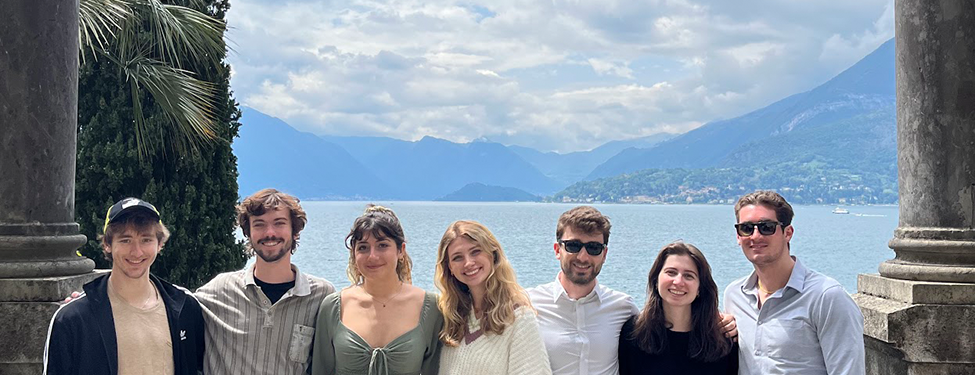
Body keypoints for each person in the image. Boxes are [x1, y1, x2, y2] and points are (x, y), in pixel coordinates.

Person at [44, 198, 205, 374]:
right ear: (107, 244)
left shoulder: (186, 308)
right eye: (125, 240)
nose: (136, 252)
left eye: (146, 240)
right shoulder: (72, 318)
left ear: (159, 244)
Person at [195, 188, 336, 374]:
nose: (270, 233)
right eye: (259, 224)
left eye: (279, 223)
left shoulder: (321, 296)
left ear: (295, 231)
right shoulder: (218, 291)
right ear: (248, 233)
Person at [724, 190, 864, 374]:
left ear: (787, 233)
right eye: (747, 228)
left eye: (767, 227)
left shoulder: (826, 297)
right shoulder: (734, 295)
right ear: (738, 236)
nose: (755, 236)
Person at [312, 205, 442, 375]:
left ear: (401, 250)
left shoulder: (431, 307)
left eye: (382, 245)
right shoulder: (333, 307)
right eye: (363, 247)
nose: (372, 256)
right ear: (354, 254)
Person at [526, 206, 638, 375]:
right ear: (557, 250)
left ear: (604, 254)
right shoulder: (528, 304)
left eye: (593, 248)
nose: (583, 257)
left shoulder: (623, 307)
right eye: (573, 246)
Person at [435, 220, 552, 375]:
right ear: (449, 267)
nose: (468, 263)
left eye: (475, 251)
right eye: (457, 257)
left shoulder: (519, 318)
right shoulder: (450, 315)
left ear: (493, 254)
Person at [619, 242, 737, 375]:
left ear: (699, 288)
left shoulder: (722, 339)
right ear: (656, 280)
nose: (678, 282)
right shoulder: (634, 333)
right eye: (671, 272)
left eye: (688, 275)